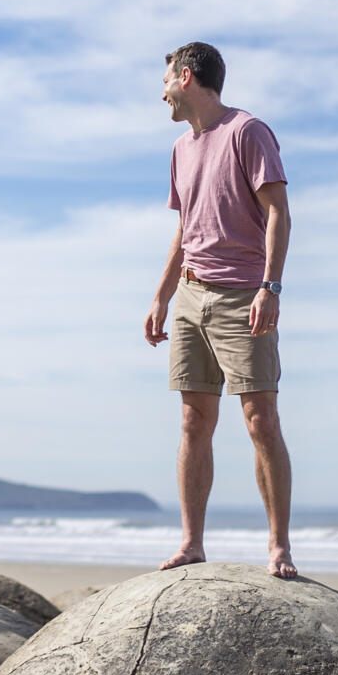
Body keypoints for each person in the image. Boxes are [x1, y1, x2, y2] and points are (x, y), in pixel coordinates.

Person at [142, 42, 297, 579]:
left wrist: (270, 286)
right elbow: (185, 228)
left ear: (186, 77)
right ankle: (191, 543)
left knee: (260, 420)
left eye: (165, 80)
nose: (161, 92)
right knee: (193, 421)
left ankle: (278, 547)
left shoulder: (247, 132)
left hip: (242, 296)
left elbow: (278, 211)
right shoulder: (181, 149)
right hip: (189, 296)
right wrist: (162, 295)